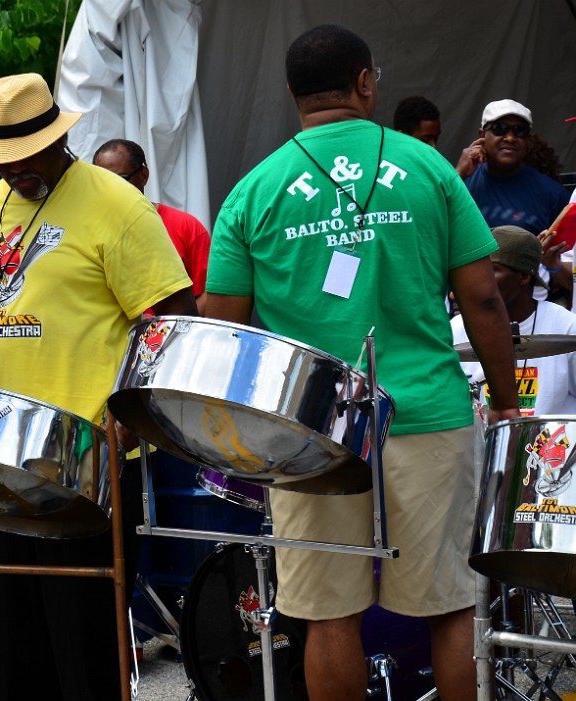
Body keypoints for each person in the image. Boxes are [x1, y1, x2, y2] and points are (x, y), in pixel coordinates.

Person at [204, 24, 519, 701]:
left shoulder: (254, 189)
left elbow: (219, 328)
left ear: (293, 94)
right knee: (452, 603)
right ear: (366, 82)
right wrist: (505, 397)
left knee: (326, 614)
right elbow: (485, 301)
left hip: (310, 434)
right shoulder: (431, 168)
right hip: (427, 414)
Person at [0, 72, 196, 701]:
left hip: (86, 457)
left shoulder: (116, 204)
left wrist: (132, 413)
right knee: (17, 652)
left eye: (28, 156)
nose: (16, 171)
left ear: (57, 139)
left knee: (83, 652)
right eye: (4, 160)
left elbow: (172, 320)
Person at [453, 226, 576, 416]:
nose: (481, 279)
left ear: (524, 276)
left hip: (553, 442)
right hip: (483, 441)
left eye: (493, 270)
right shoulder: (456, 328)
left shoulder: (567, 327)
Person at [460, 99, 572, 306]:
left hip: (529, 313)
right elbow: (430, 232)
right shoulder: (459, 183)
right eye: (500, 128)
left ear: (528, 140)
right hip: (466, 307)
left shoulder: (552, 194)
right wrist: (457, 176)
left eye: (519, 131)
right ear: (482, 136)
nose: (510, 137)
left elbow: (564, 266)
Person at [92, 138, 212, 313]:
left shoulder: (186, 226)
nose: (111, 189)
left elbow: (208, 294)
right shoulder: (89, 229)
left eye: (121, 179)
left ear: (144, 175)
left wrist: (169, 333)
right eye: (102, 181)